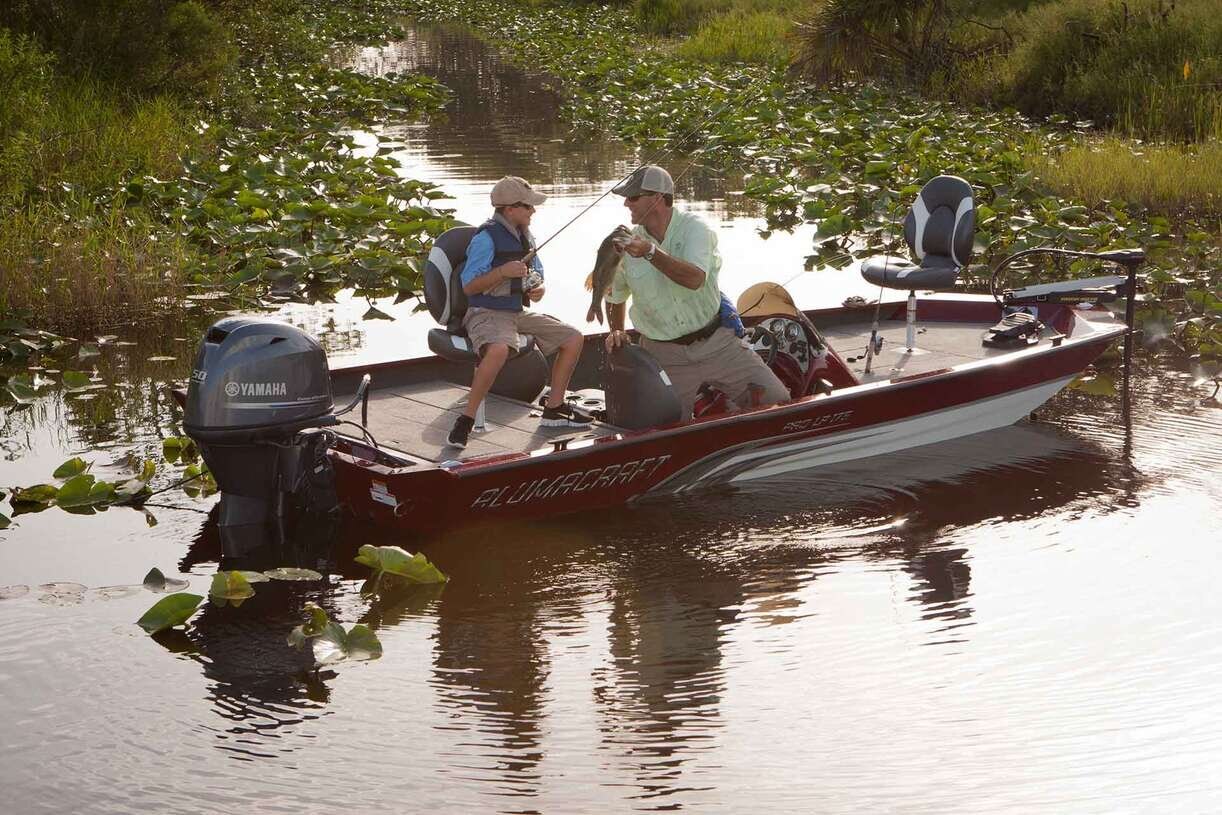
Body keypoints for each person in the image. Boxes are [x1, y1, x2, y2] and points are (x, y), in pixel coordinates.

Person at [603, 165, 789, 418]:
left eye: (633, 197)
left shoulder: (695, 229)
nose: (626, 203)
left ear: (657, 198)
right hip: (662, 355)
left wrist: (650, 252)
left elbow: (694, 279)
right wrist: (616, 329)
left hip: (718, 345)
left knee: (778, 402)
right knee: (661, 427)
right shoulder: (626, 242)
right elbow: (614, 295)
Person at [447, 176, 593, 449]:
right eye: (528, 206)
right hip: (485, 312)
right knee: (500, 349)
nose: (533, 211)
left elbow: (536, 276)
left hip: (515, 312)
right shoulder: (485, 238)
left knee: (573, 337)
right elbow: (468, 286)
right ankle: (464, 421)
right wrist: (502, 272)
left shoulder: (526, 236)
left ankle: (554, 407)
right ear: (510, 209)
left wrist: (537, 289)